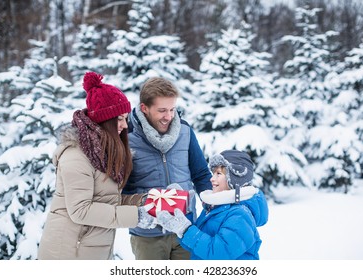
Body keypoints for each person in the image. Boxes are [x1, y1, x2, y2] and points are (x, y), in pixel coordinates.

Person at [38, 72, 157, 260]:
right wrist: (137, 216)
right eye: (119, 119)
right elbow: (81, 210)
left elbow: (107, 202)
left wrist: (143, 201)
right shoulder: (76, 156)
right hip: (69, 252)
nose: (125, 125)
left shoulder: (103, 153)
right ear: (104, 120)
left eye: (125, 118)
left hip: (91, 250)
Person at [122, 77, 213, 260]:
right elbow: (120, 189)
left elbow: (201, 173)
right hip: (147, 236)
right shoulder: (127, 136)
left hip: (185, 230)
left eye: (172, 109)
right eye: (162, 110)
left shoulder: (185, 131)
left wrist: (210, 201)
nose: (169, 116)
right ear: (144, 108)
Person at [157, 150, 269, 260]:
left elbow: (217, 254)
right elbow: (195, 246)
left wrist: (186, 230)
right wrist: (183, 212)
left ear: (235, 179)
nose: (212, 179)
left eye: (219, 173)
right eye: (213, 173)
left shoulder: (240, 215)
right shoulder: (215, 208)